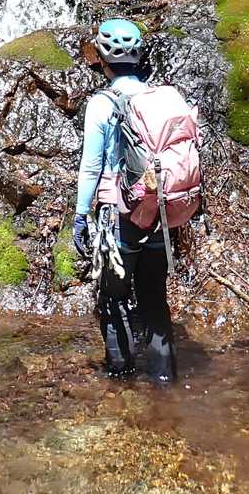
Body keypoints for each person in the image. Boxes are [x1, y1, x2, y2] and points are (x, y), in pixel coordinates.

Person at [72, 19, 177, 383]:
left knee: (113, 298)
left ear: (102, 60)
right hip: (160, 213)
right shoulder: (158, 98)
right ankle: (165, 383)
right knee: (154, 300)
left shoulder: (102, 104)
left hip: (121, 219)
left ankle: (121, 383)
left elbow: (91, 167)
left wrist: (80, 216)